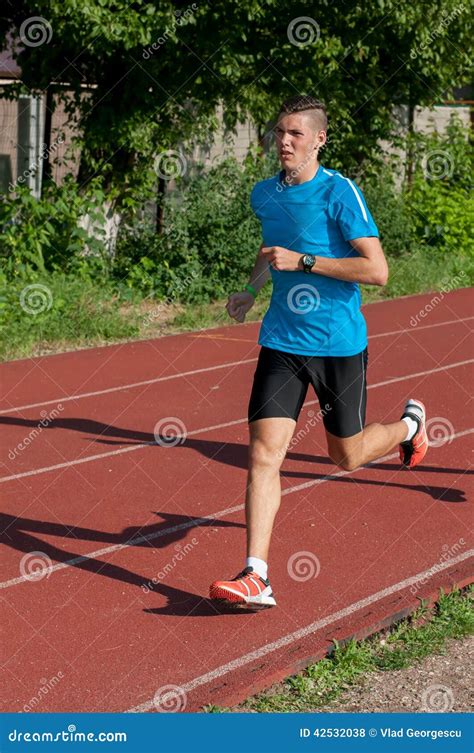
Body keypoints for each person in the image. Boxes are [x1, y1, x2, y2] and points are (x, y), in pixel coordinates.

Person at [209, 94, 428, 609]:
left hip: (337, 344)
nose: (283, 142)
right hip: (281, 342)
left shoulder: (339, 193)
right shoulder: (265, 194)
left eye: (295, 134)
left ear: (319, 140)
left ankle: (410, 427)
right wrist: (251, 288)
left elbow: (377, 271)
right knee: (264, 455)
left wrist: (305, 261)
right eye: (279, 133)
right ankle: (256, 575)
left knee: (346, 455)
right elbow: (271, 252)